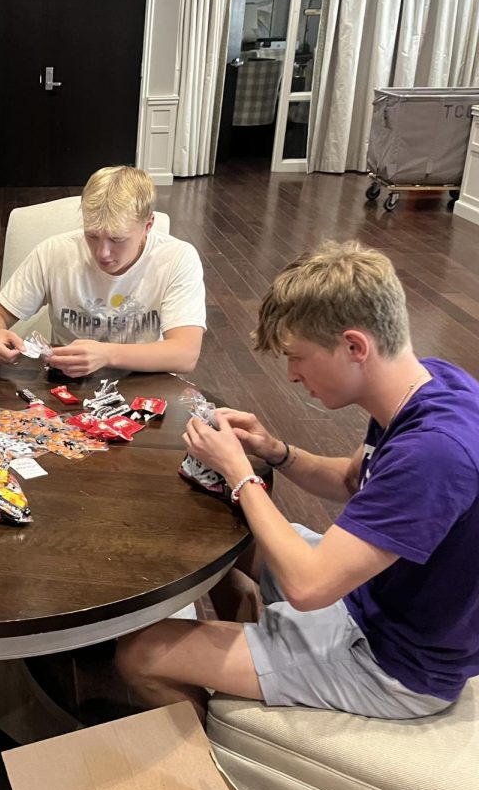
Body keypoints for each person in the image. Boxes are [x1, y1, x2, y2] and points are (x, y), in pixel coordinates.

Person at [115, 241, 479, 721]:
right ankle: (251, 635)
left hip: (392, 664)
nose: (290, 375)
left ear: (354, 346)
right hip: (369, 597)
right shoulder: (426, 385)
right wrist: (276, 451)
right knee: (228, 531)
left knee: (140, 653)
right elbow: (353, 480)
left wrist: (240, 473)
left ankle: (220, 765)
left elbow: (309, 589)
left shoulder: (433, 452)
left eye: (298, 357)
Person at [0, 165, 205, 376]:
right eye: (92, 236)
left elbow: (185, 354)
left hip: (142, 381)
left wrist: (106, 355)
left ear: (148, 226)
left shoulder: (177, 258)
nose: (102, 253)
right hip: (67, 383)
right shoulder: (55, 252)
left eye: (117, 239)